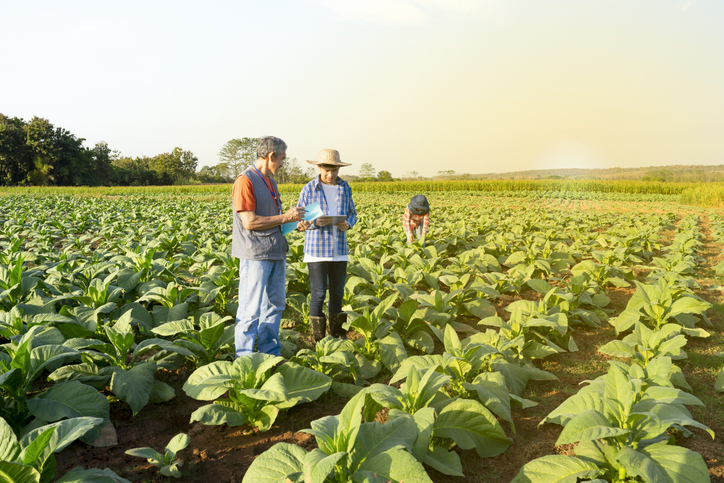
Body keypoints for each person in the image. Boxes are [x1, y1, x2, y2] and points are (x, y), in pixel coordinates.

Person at [232, 136, 305, 357]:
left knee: (275, 305)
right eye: (282, 158)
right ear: (271, 156)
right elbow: (250, 222)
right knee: (250, 309)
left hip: (275, 251)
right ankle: (244, 359)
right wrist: (285, 218)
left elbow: (274, 220)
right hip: (255, 255)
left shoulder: (271, 183)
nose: (283, 163)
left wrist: (295, 221)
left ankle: (269, 356)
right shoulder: (245, 181)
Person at [296, 149, 357, 341]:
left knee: (338, 293)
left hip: (339, 249)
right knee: (319, 293)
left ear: (338, 169)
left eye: (334, 171)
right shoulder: (309, 189)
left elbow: (352, 213)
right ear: (319, 167)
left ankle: (337, 334)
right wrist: (314, 223)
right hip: (316, 249)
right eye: (327, 170)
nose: (330, 175)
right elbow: (299, 219)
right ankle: (319, 339)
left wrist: (347, 224)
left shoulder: (345, 188)